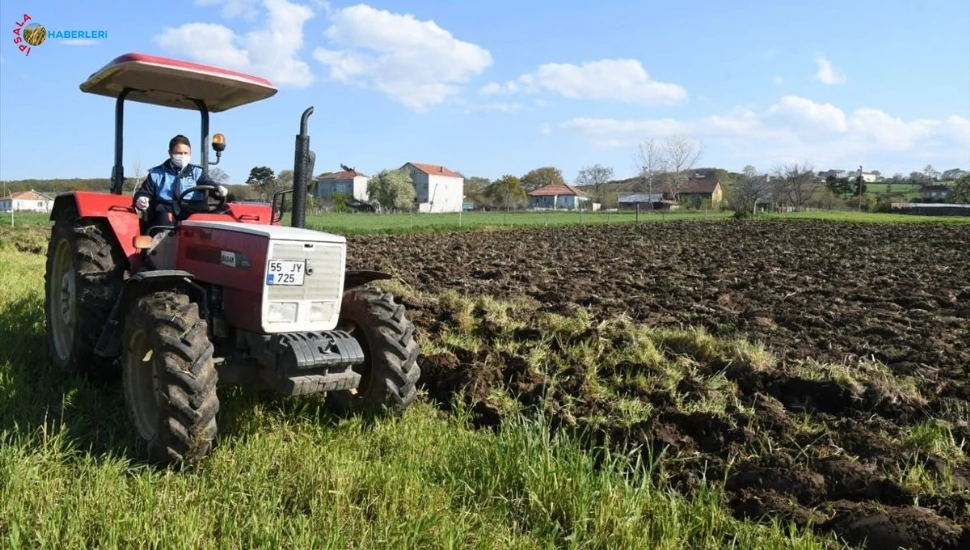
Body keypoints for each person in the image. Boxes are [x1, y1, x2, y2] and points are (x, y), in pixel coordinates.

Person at [134, 134, 228, 228]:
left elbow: (208, 184)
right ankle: (163, 240)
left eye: (186, 153)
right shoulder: (157, 173)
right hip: (166, 211)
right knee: (163, 221)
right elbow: (144, 192)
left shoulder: (197, 172)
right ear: (170, 153)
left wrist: (218, 190)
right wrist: (141, 199)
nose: (183, 156)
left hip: (193, 211)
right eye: (179, 153)